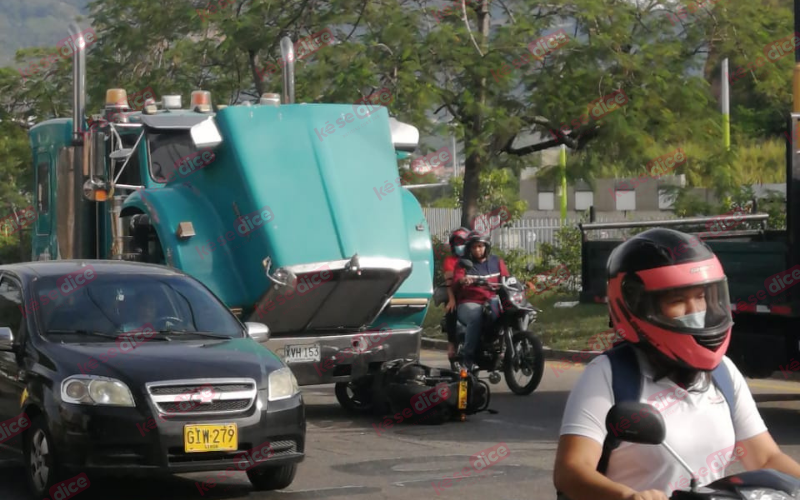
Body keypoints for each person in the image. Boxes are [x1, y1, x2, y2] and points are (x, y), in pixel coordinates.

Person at [553, 228, 800, 500]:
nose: (695, 311)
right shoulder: (608, 376)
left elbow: (765, 459)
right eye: (678, 300)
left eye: (701, 297)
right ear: (638, 306)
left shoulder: (723, 374)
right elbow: (571, 470)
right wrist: (628, 496)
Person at [452, 230, 509, 370]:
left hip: (493, 300)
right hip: (469, 302)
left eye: (480, 246)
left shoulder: (497, 261)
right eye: (474, 247)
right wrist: (463, 280)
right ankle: (468, 359)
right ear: (469, 249)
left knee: (510, 312)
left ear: (486, 247)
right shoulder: (464, 264)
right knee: (476, 316)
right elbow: (456, 281)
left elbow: (507, 279)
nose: (478, 250)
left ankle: (504, 347)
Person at [444, 227, 471, 359]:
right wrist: (451, 299)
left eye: (462, 242)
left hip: (473, 293)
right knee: (451, 311)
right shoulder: (450, 261)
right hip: (456, 294)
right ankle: (451, 345)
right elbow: (449, 281)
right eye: (456, 242)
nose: (459, 245)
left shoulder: (474, 257)